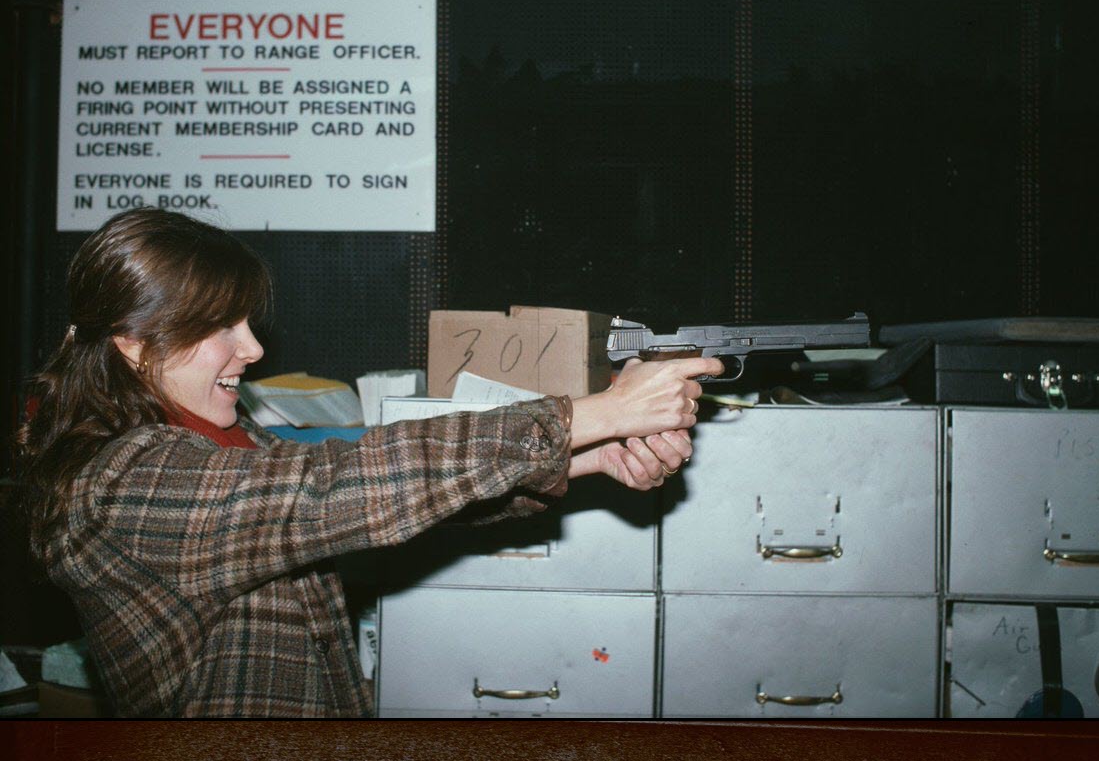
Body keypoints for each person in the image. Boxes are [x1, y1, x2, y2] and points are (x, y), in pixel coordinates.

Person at [21, 208, 719, 717]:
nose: (254, 348)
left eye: (247, 322)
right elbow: (332, 490)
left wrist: (585, 455)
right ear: (134, 345)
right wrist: (588, 413)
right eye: (218, 327)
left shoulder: (230, 446)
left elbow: (383, 504)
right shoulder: (118, 484)